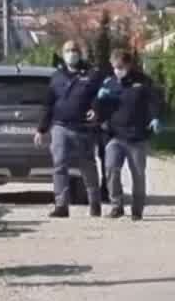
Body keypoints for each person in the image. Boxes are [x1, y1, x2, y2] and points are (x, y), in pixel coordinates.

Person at [35, 38, 108, 218]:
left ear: (80, 53)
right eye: (68, 50)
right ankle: (61, 205)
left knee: (87, 166)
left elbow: (102, 95)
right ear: (63, 53)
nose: (71, 53)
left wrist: (96, 109)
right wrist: (41, 129)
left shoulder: (92, 74)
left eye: (74, 50)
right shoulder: (57, 76)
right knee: (59, 165)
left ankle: (95, 203)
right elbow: (48, 104)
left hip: (83, 128)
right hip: (60, 127)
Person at [101, 49, 161, 220]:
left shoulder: (143, 82)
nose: (117, 69)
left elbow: (154, 101)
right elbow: (101, 104)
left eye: (120, 66)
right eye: (114, 67)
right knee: (111, 169)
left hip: (137, 138)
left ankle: (137, 210)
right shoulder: (110, 83)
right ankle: (116, 206)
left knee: (138, 175)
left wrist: (155, 117)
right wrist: (99, 114)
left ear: (128, 65)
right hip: (115, 136)